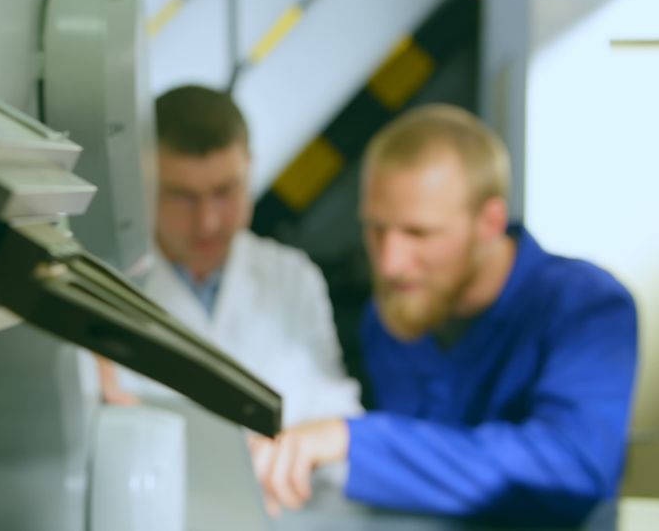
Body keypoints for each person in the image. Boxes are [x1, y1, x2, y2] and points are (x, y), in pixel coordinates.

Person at [251, 104, 638, 526]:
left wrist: (353, 440)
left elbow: (571, 471)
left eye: (419, 233)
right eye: (376, 229)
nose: (390, 263)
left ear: (489, 222)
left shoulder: (588, 308)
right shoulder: (393, 313)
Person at [98, 85, 362, 429]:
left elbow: (334, 409)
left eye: (224, 191)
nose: (208, 222)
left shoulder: (293, 276)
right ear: (145, 181)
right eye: (182, 196)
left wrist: (311, 442)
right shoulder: (107, 285)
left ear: (249, 169)